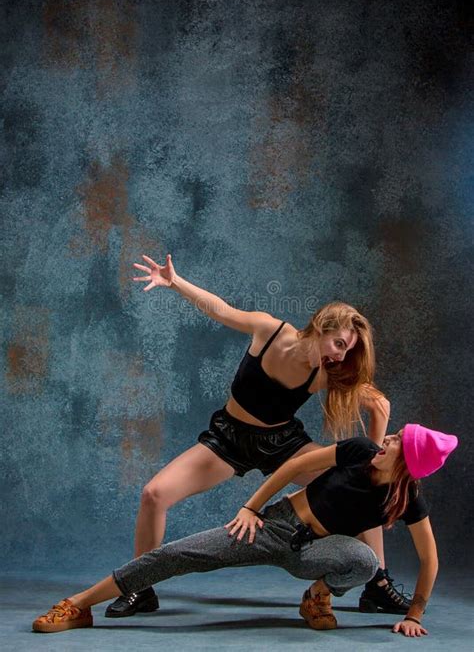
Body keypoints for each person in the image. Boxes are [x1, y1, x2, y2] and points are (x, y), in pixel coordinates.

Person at [106, 254, 395, 617]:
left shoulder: (325, 373)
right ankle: (139, 588)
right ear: (321, 327)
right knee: (154, 494)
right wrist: (175, 281)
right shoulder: (269, 329)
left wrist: (375, 460)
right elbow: (220, 309)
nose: (339, 356)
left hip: (284, 445)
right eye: (338, 343)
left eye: (347, 350)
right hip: (229, 440)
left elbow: (379, 405)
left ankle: (378, 584)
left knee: (365, 484)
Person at [32, 424, 457, 638]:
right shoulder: (359, 451)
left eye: (399, 439)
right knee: (177, 555)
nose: (387, 437)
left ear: (409, 461)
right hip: (273, 527)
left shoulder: (406, 500)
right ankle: (79, 605)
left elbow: (429, 558)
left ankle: (317, 598)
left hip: (313, 554)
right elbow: (294, 466)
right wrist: (250, 507)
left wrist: (414, 615)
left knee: (365, 562)